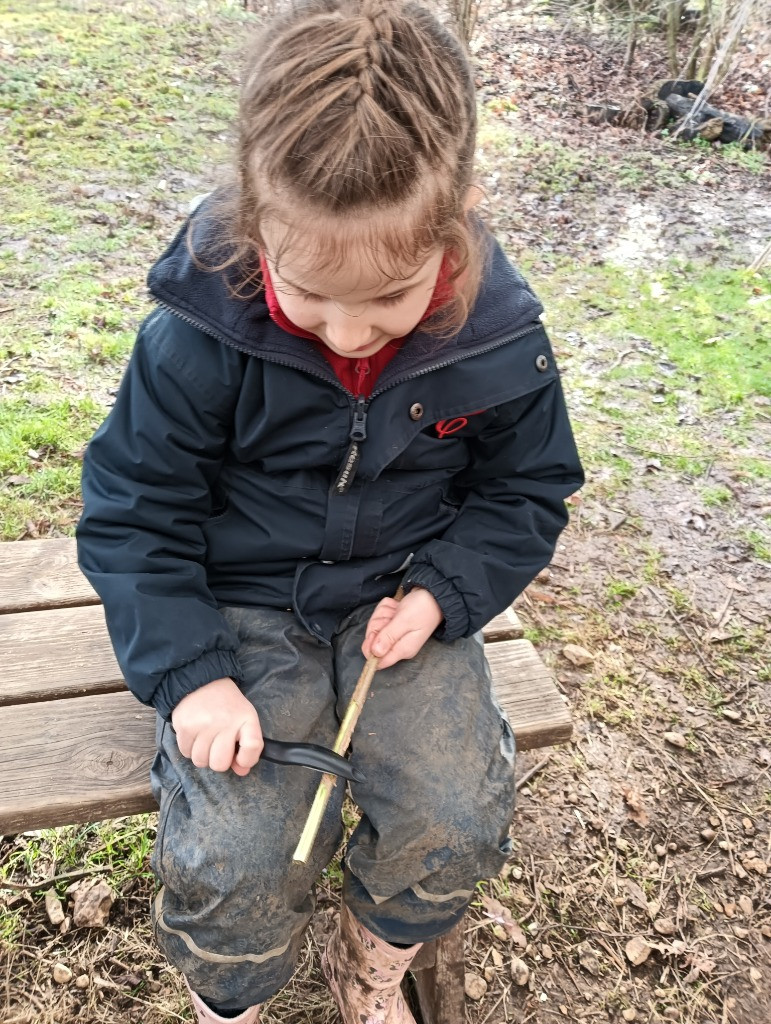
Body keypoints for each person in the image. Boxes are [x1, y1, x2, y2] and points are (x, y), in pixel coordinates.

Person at [76, 1, 584, 1021]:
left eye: (390, 298)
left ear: (460, 216)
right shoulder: (197, 333)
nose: (346, 332)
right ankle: (237, 996)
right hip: (240, 610)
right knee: (238, 852)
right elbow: (135, 509)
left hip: (400, 604)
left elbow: (525, 487)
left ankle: (372, 956)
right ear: (254, 221)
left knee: (455, 814)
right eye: (306, 295)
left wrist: (444, 591)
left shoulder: (498, 336)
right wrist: (192, 676)